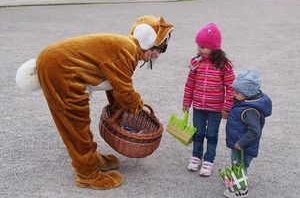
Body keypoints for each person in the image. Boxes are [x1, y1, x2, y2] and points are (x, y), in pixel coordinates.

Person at [15, 15, 174, 190]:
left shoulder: (129, 48)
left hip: (60, 64)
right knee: (75, 122)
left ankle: (90, 158)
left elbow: (114, 85)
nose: (158, 54)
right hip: (60, 68)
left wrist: (116, 109)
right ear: (148, 42)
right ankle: (87, 173)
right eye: (159, 48)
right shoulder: (127, 51)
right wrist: (137, 106)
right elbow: (124, 91)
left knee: (80, 120)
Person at [182, 23, 236, 177]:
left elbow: (231, 87)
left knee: (211, 134)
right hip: (198, 106)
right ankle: (196, 156)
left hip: (215, 109)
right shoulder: (196, 63)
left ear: (214, 47)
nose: (199, 49)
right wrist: (187, 101)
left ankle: (209, 160)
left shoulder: (224, 65)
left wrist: (226, 107)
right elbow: (190, 84)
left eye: (203, 47)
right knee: (197, 132)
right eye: (198, 46)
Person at [223, 69, 272, 198]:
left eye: (237, 92)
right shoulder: (243, 102)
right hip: (239, 144)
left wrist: (241, 142)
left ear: (247, 93)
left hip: (244, 146)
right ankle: (235, 181)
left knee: (240, 165)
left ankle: (241, 190)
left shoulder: (250, 110)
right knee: (236, 163)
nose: (234, 94)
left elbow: (254, 131)